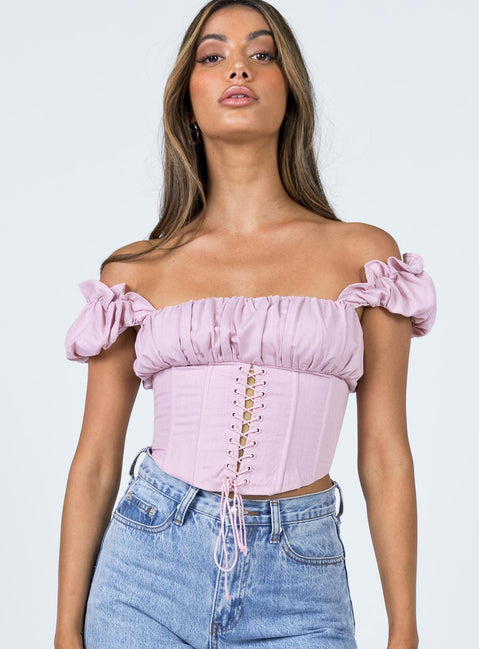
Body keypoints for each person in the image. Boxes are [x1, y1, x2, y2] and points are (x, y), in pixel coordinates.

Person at [54, 1, 437, 648]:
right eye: (214, 56)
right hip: (145, 572)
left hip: (300, 579)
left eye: (262, 54)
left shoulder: (364, 259)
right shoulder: (136, 272)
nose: (239, 68)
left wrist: (404, 628)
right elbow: (94, 461)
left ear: (290, 93)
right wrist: (66, 631)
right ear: (187, 100)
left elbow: (384, 453)